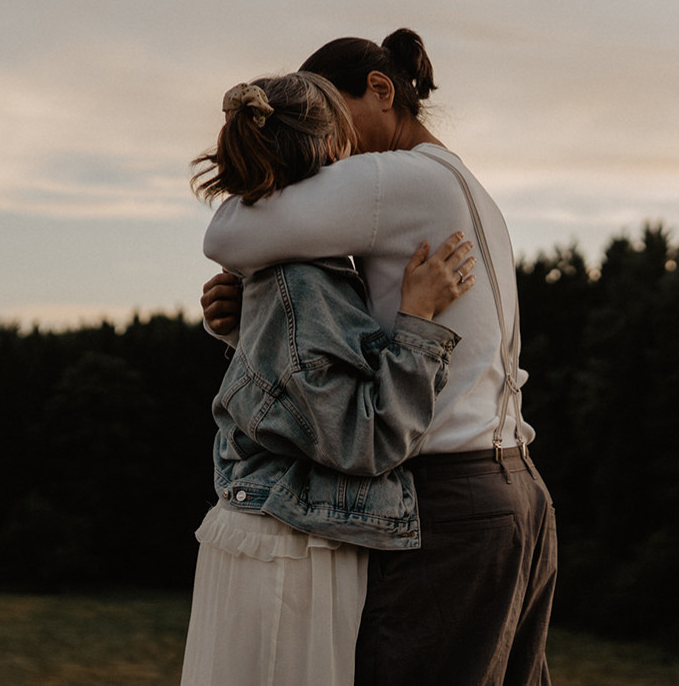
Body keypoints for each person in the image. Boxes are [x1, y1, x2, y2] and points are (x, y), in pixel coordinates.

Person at [201, 29, 557, 686]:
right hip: (517, 493)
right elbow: (349, 339)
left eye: (337, 110)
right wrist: (253, 327)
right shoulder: (462, 180)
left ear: (381, 91)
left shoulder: (390, 178)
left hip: (448, 503)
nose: (334, 141)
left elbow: (226, 232)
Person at [182, 70, 478, 686]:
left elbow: (294, 395)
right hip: (293, 555)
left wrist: (241, 336)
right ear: (333, 157)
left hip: (271, 537)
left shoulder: (280, 268)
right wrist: (418, 321)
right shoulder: (305, 278)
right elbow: (363, 441)